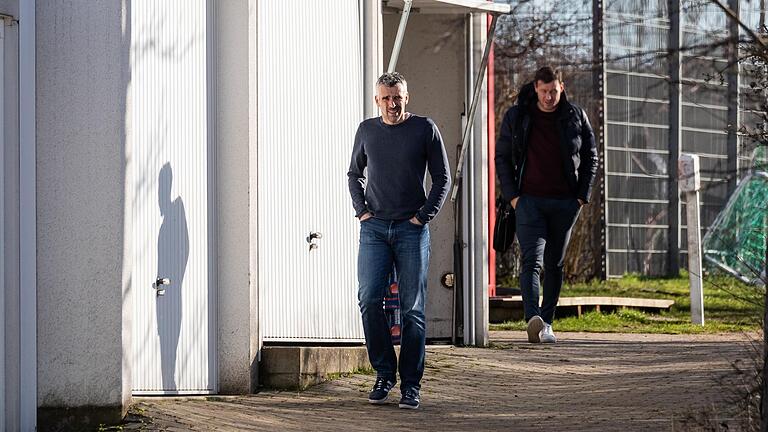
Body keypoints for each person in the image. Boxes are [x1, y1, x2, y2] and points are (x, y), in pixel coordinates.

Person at [347, 72, 451, 409]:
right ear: (377, 100)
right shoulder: (367, 130)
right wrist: (361, 210)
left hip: (411, 229)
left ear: (407, 97)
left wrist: (424, 215)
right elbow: (353, 174)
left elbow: (442, 178)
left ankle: (410, 385)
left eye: (398, 97)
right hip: (374, 229)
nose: (393, 104)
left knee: (413, 310)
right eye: (386, 98)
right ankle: (383, 374)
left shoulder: (424, 129)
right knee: (368, 299)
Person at [495, 66, 597, 344]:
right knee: (532, 260)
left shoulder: (575, 116)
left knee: (555, 263)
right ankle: (533, 319)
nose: (549, 97)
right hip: (528, 202)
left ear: (561, 87)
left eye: (553, 91)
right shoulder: (518, 116)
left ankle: (548, 322)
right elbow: (502, 157)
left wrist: (581, 197)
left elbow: (591, 156)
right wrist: (513, 196)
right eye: (544, 91)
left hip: (566, 203)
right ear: (536, 89)